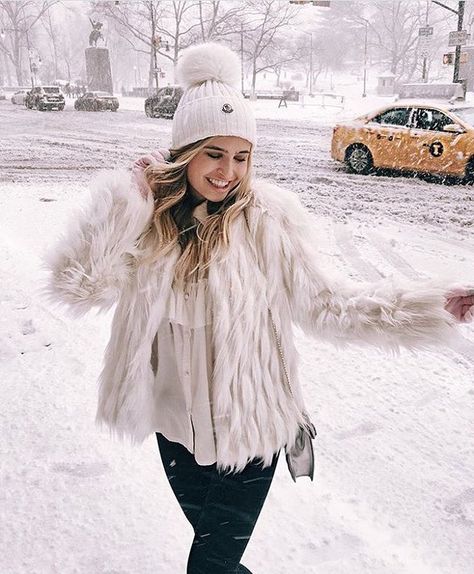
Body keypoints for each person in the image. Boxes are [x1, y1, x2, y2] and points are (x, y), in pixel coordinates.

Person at [46, 43, 474, 574]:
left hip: (254, 428)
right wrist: (124, 201)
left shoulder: (268, 220)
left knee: (208, 565)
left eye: (241, 156)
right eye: (214, 154)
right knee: (221, 564)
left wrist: (433, 305)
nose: (229, 172)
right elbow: (79, 287)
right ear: (185, 151)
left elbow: (328, 304)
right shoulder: (146, 222)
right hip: (175, 430)